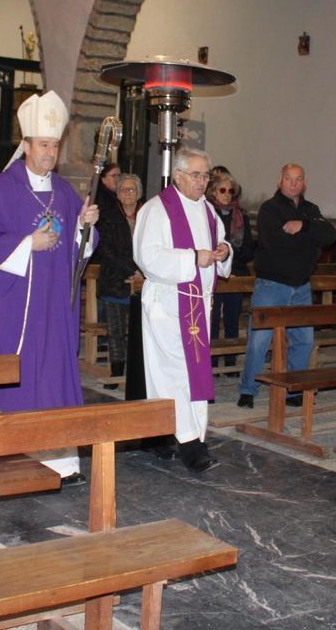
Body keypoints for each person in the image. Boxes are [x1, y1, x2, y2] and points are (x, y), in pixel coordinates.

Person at [0, 90, 98, 480]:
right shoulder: (1, 188)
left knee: (52, 376)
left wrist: (83, 226)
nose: (49, 153)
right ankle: (4, 457)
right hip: (13, 307)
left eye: (54, 145)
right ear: (25, 145)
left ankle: (59, 462)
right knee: (17, 376)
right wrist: (27, 244)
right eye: (43, 145)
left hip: (54, 307)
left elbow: (81, 249)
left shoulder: (63, 190)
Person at [134, 147, 232, 472]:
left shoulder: (207, 211)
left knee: (194, 374)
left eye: (206, 175)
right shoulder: (157, 209)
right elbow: (146, 256)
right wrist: (192, 258)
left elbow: (223, 242)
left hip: (198, 306)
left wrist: (223, 249)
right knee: (174, 374)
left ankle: (191, 435)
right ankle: (189, 444)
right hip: (168, 305)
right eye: (196, 174)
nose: (203, 181)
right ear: (177, 176)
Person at [237, 164, 336, 409]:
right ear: (280, 181)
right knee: (260, 340)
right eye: (289, 179)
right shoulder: (270, 209)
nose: (293, 183)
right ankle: (248, 389)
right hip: (272, 285)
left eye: (298, 179)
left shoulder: (310, 210)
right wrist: (309, 240)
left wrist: (304, 227)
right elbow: (276, 242)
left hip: (301, 286)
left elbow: (330, 235)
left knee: (303, 340)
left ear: (304, 183)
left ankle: (293, 390)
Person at [98, 172, 143, 387]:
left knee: (138, 331)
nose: (128, 193)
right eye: (124, 189)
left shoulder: (148, 215)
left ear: (139, 194)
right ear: (117, 194)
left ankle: (137, 372)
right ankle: (116, 374)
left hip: (143, 281)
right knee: (115, 331)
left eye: (132, 189)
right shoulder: (108, 217)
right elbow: (106, 250)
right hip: (114, 280)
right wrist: (131, 270)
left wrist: (142, 272)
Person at [208, 171, 254, 371]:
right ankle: (210, 363)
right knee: (212, 320)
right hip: (214, 274)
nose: (227, 194)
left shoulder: (241, 215)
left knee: (232, 319)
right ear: (214, 192)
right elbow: (209, 244)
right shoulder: (207, 212)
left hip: (237, 275)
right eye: (223, 190)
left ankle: (230, 362)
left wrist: (233, 268)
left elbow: (248, 247)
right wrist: (223, 268)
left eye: (231, 191)